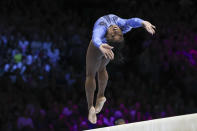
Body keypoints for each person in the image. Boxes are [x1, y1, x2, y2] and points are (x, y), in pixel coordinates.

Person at [85, 14, 156, 124]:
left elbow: (96, 36)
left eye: (114, 34)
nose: (115, 29)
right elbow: (132, 21)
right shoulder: (122, 26)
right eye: (117, 33)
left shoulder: (102, 26)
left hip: (100, 47)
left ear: (109, 37)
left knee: (90, 74)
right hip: (105, 47)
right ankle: (100, 96)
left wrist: (100, 46)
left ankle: (91, 107)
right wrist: (143, 22)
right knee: (102, 68)